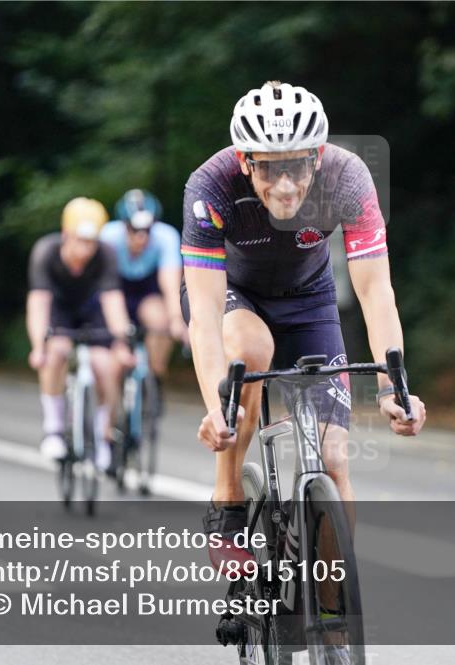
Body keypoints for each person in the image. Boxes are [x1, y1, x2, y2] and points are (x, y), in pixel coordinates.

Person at [181, 81, 427, 565]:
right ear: (245, 160)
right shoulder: (210, 186)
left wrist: (392, 389)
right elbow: (206, 315)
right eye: (269, 168)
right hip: (234, 293)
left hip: (308, 299)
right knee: (250, 350)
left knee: (334, 461)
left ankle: (332, 619)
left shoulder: (348, 177)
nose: (286, 185)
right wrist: (218, 408)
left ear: (317, 155)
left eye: (297, 165)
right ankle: (227, 498)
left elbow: (376, 292)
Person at [27, 197, 134, 470]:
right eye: (80, 241)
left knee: (106, 365)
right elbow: (39, 303)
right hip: (60, 309)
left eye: (91, 242)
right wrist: (38, 346)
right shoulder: (45, 252)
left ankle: (102, 435)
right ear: (65, 235)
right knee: (56, 351)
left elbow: (113, 302)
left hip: (92, 311)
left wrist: (122, 343)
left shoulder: (105, 253)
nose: (86, 249)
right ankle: (53, 429)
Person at [99, 189, 188, 393]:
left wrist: (176, 319)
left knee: (161, 320)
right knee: (112, 354)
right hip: (114, 291)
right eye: (134, 229)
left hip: (147, 292)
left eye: (147, 230)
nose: (141, 237)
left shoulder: (166, 236)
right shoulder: (108, 237)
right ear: (123, 225)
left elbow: (170, 281)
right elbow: (105, 289)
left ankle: (153, 377)